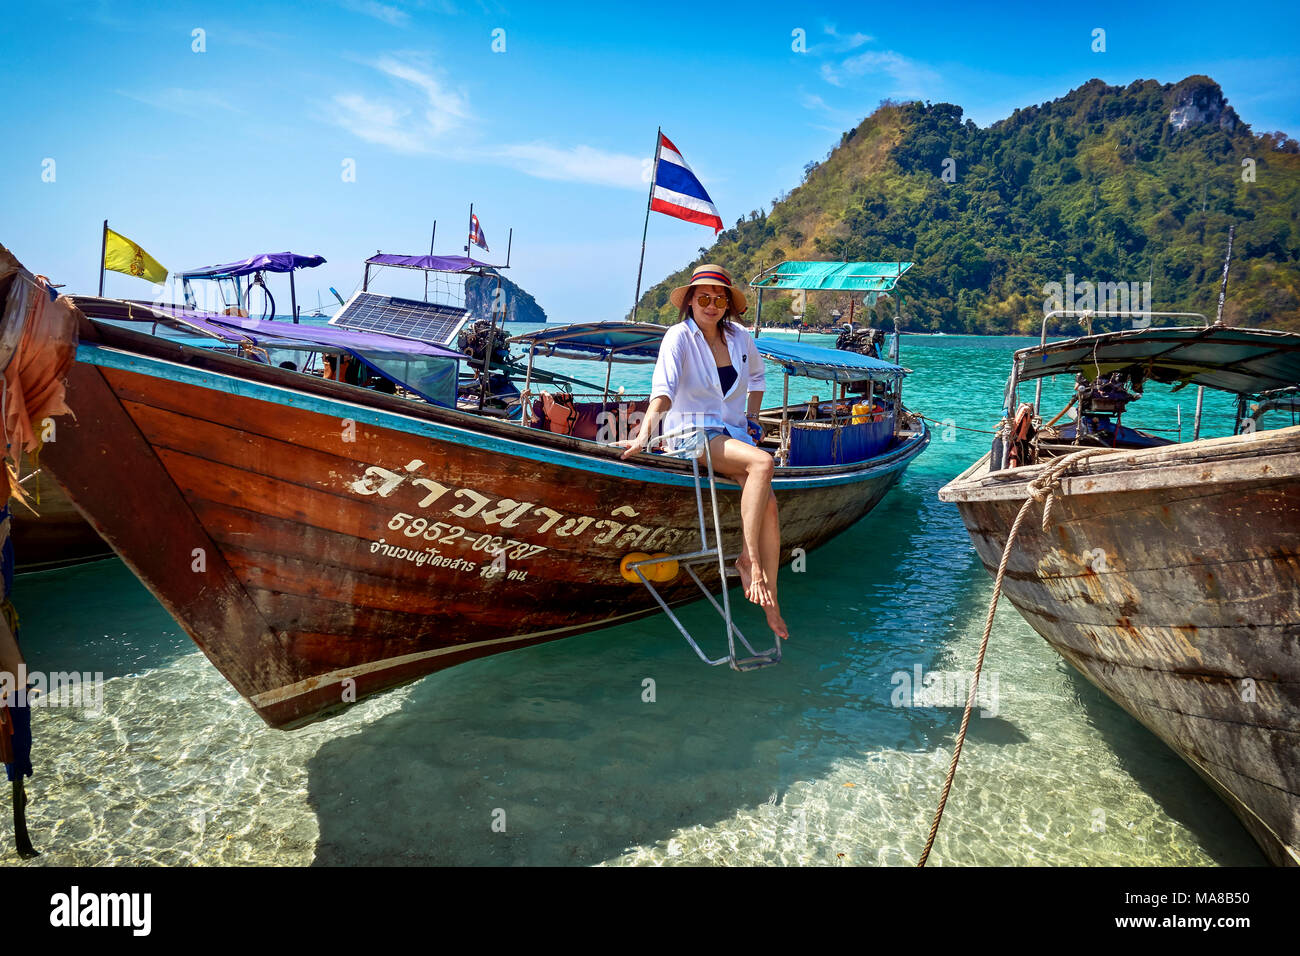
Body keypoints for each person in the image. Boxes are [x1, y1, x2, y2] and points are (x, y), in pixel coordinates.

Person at [617, 264, 787, 641]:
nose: (711, 305)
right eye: (703, 298)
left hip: (731, 433)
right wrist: (644, 435)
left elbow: (757, 378)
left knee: (769, 505)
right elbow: (662, 391)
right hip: (689, 433)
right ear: (691, 301)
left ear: (727, 303)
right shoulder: (678, 337)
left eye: (719, 298)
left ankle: (771, 600)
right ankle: (749, 560)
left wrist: (753, 417)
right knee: (763, 462)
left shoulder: (741, 338)